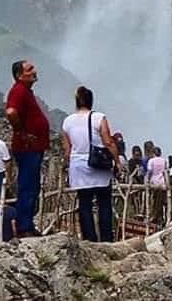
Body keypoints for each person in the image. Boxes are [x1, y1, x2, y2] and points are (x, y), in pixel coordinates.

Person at [61, 86, 120, 243]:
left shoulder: (67, 122)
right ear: (91, 101)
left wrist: (69, 166)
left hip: (78, 166)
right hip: (98, 165)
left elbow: (67, 150)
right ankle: (106, 239)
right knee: (104, 202)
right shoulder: (99, 117)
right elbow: (107, 141)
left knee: (84, 203)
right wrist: (117, 161)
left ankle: (89, 239)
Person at [5, 60, 49, 237]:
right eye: (30, 69)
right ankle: (24, 227)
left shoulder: (25, 92)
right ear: (19, 75)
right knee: (27, 186)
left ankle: (27, 224)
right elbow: (11, 112)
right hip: (27, 148)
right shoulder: (18, 91)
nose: (34, 71)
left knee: (32, 186)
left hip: (33, 147)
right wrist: (21, 132)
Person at [146, 146, 167, 224]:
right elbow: (165, 171)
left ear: (153, 153)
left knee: (154, 200)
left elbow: (149, 172)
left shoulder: (151, 161)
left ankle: (154, 216)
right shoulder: (164, 160)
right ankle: (160, 217)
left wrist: (147, 181)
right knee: (160, 201)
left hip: (154, 183)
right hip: (162, 183)